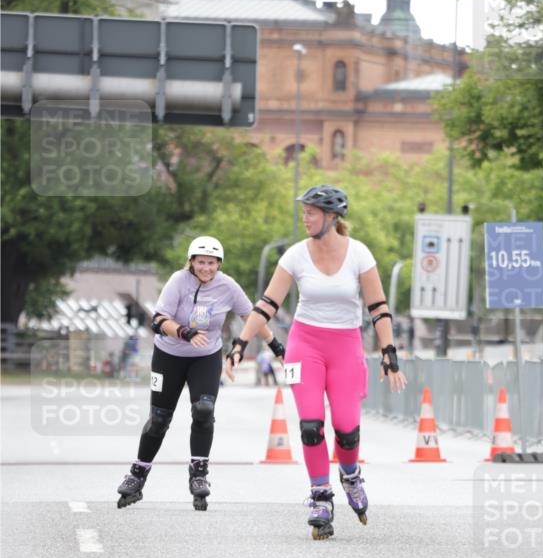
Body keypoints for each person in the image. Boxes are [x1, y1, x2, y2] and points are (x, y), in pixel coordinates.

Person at [224, 185, 407, 539]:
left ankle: (351, 475)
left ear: (331, 217)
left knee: (347, 429)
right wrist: (240, 344)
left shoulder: (359, 254)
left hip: (346, 346)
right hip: (304, 345)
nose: (304, 218)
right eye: (304, 212)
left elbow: (378, 308)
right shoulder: (295, 255)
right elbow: (266, 305)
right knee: (311, 426)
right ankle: (320, 496)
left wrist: (389, 352)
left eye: (311, 213)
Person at [117, 236, 284, 510]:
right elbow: (158, 320)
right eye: (201, 262)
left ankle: (199, 475)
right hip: (168, 356)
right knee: (159, 419)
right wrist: (186, 332)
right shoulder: (178, 281)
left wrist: (277, 347)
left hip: (205, 357)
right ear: (192, 262)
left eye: (211, 263)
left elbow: (253, 317)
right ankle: (137, 476)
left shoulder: (228, 286)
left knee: (204, 410)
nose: (206, 268)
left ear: (219, 264)